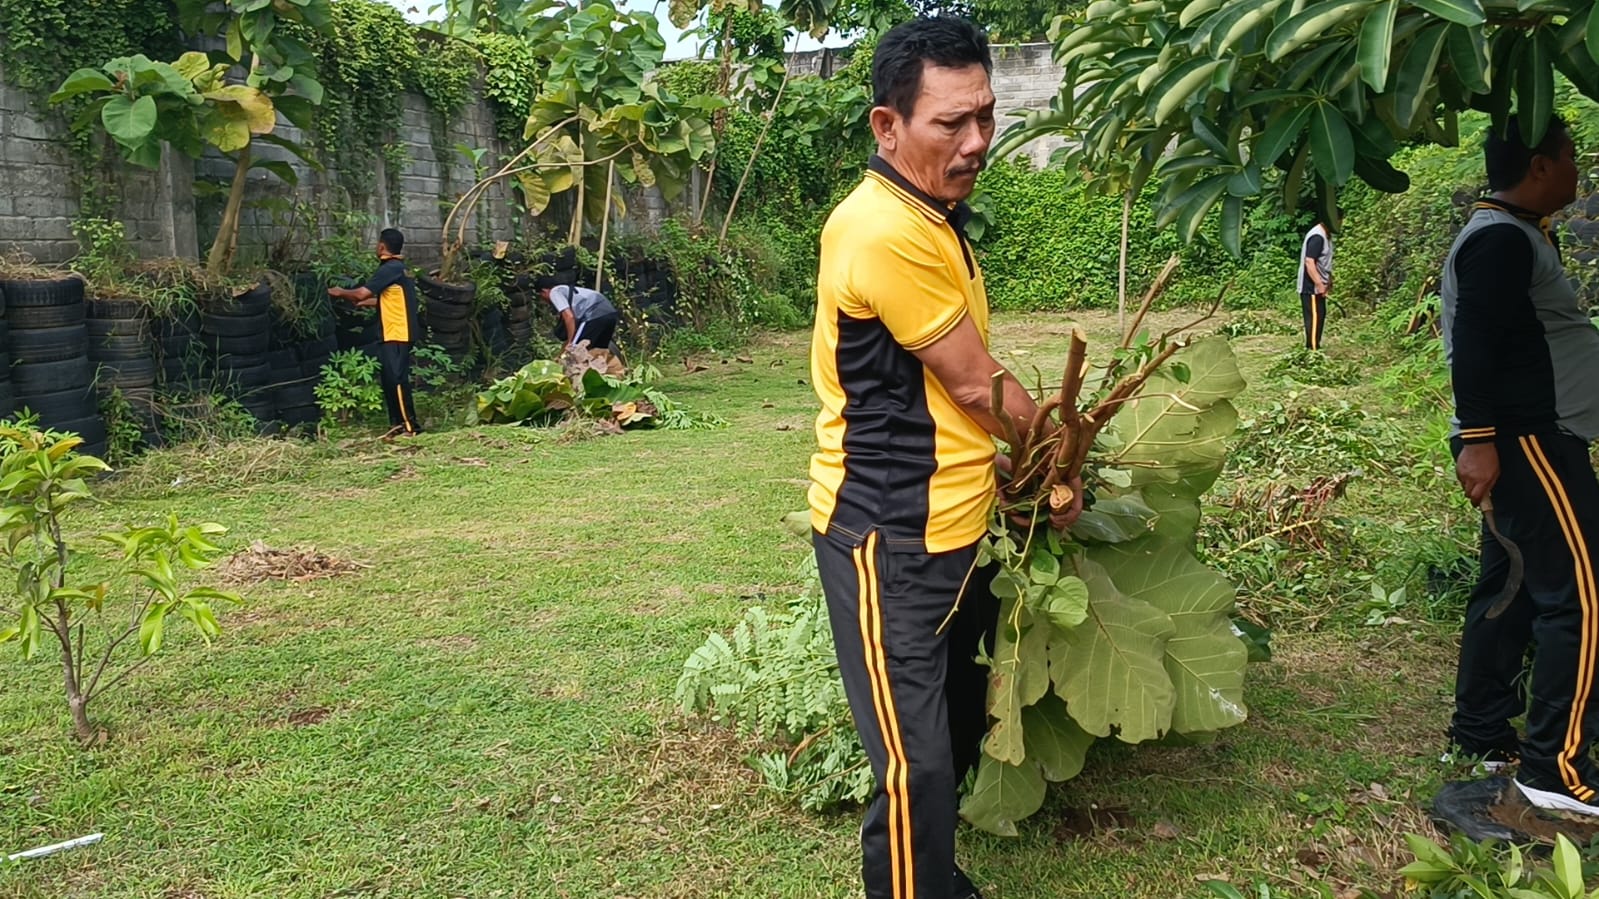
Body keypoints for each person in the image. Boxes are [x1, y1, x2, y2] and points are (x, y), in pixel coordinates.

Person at [808, 18, 1081, 899]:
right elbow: (972, 384)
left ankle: (935, 877)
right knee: (913, 760)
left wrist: (1010, 473)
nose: (974, 143)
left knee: (957, 725)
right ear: (886, 126)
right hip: (889, 534)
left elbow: (942, 395)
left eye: (986, 118)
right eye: (948, 124)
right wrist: (1056, 455)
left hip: (954, 519)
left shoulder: (933, 215)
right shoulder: (882, 229)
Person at [1442, 114, 1599, 815]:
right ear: (1538, 167)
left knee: (1509, 584)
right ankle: (1553, 769)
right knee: (1581, 597)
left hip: (1524, 437)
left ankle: (1479, 728)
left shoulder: (1510, 232)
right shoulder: (1500, 240)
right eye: (1569, 159)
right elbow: (1473, 341)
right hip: (1530, 438)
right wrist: (1478, 438)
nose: (1577, 172)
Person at [328, 227, 422, 438]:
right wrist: (365, 303)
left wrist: (340, 292)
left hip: (397, 332)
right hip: (393, 332)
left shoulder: (390, 268)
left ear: (381, 246)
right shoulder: (397, 268)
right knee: (390, 380)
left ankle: (410, 426)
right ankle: (397, 425)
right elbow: (388, 298)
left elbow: (361, 293)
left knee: (397, 380)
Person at [536, 275, 620, 350]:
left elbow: (569, 317)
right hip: (610, 313)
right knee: (598, 351)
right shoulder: (568, 290)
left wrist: (570, 342)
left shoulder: (554, 292)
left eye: (541, 296)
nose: (543, 300)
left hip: (593, 314)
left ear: (544, 291)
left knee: (575, 351)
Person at [1297, 214, 1336, 350]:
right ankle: (1312, 351)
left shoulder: (1326, 235)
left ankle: (1315, 346)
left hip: (1319, 287)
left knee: (1320, 317)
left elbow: (1324, 261)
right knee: (1314, 319)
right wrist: (1319, 284)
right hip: (1311, 287)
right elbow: (1309, 261)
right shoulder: (1317, 236)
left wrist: (1328, 280)